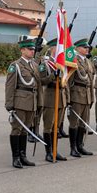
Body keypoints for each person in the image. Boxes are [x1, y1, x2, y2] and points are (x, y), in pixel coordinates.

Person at [5, 38, 40, 168]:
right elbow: (10, 86)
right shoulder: (16, 66)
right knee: (17, 129)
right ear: (22, 50)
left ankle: (23, 156)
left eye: (33, 49)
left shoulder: (34, 65)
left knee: (25, 130)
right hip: (20, 102)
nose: (32, 51)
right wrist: (9, 104)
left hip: (32, 101)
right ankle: (15, 158)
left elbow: (39, 84)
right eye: (30, 49)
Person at [39, 38, 67, 162]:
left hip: (61, 98)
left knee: (56, 127)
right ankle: (48, 152)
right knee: (48, 127)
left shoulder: (62, 63)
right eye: (58, 47)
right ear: (51, 49)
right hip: (50, 98)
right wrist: (52, 76)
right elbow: (42, 81)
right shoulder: (45, 64)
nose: (61, 50)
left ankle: (55, 150)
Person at [67, 38, 95, 157]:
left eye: (88, 47)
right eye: (85, 47)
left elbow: (91, 80)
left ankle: (80, 146)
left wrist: (92, 97)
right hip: (77, 95)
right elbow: (68, 81)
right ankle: (73, 148)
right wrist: (68, 100)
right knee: (74, 123)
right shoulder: (74, 60)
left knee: (83, 123)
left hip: (87, 95)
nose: (87, 49)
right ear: (77, 49)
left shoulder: (88, 61)